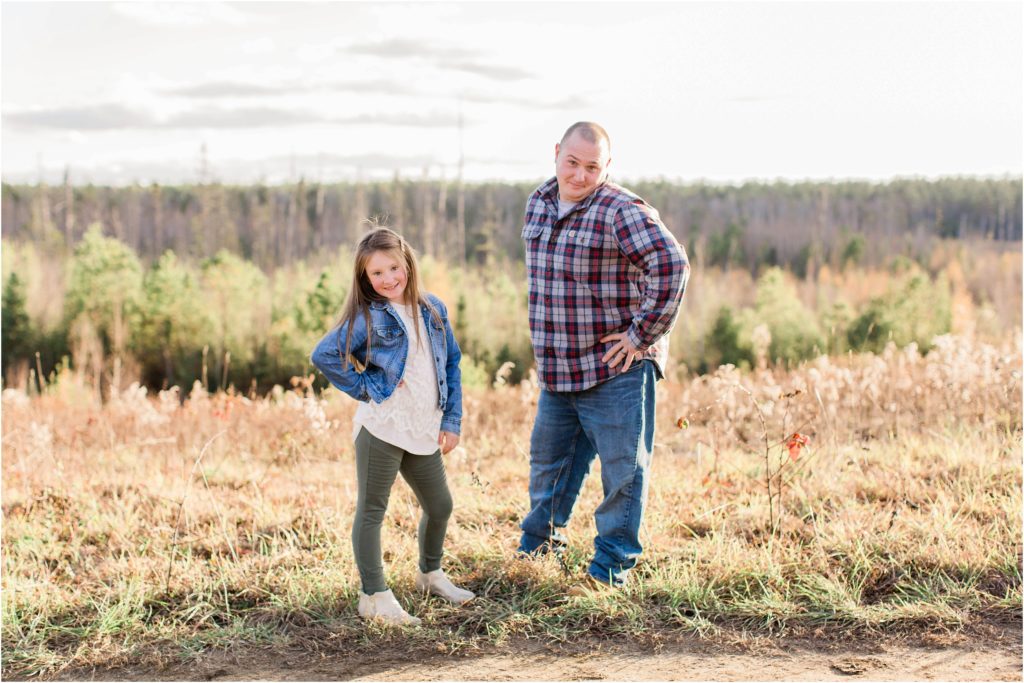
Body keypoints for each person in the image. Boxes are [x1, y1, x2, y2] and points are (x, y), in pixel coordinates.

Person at [518, 121, 690, 589]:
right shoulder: (538, 202)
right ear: (556, 153)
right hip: (559, 370)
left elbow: (672, 265)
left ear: (606, 167)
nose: (579, 175)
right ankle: (535, 558)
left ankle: (610, 570)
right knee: (548, 470)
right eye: (572, 162)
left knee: (623, 477)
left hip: (615, 370)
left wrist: (640, 337)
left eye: (591, 167)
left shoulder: (620, 209)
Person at [311, 227, 474, 626]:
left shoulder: (433, 309)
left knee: (440, 506)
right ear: (365, 279)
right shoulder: (368, 316)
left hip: (422, 427)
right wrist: (367, 386)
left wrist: (452, 419)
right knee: (372, 510)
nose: (387, 279)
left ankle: (430, 574)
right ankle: (374, 595)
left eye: (393, 268)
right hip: (382, 426)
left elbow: (451, 363)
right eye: (376, 274)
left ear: (407, 264)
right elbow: (324, 354)